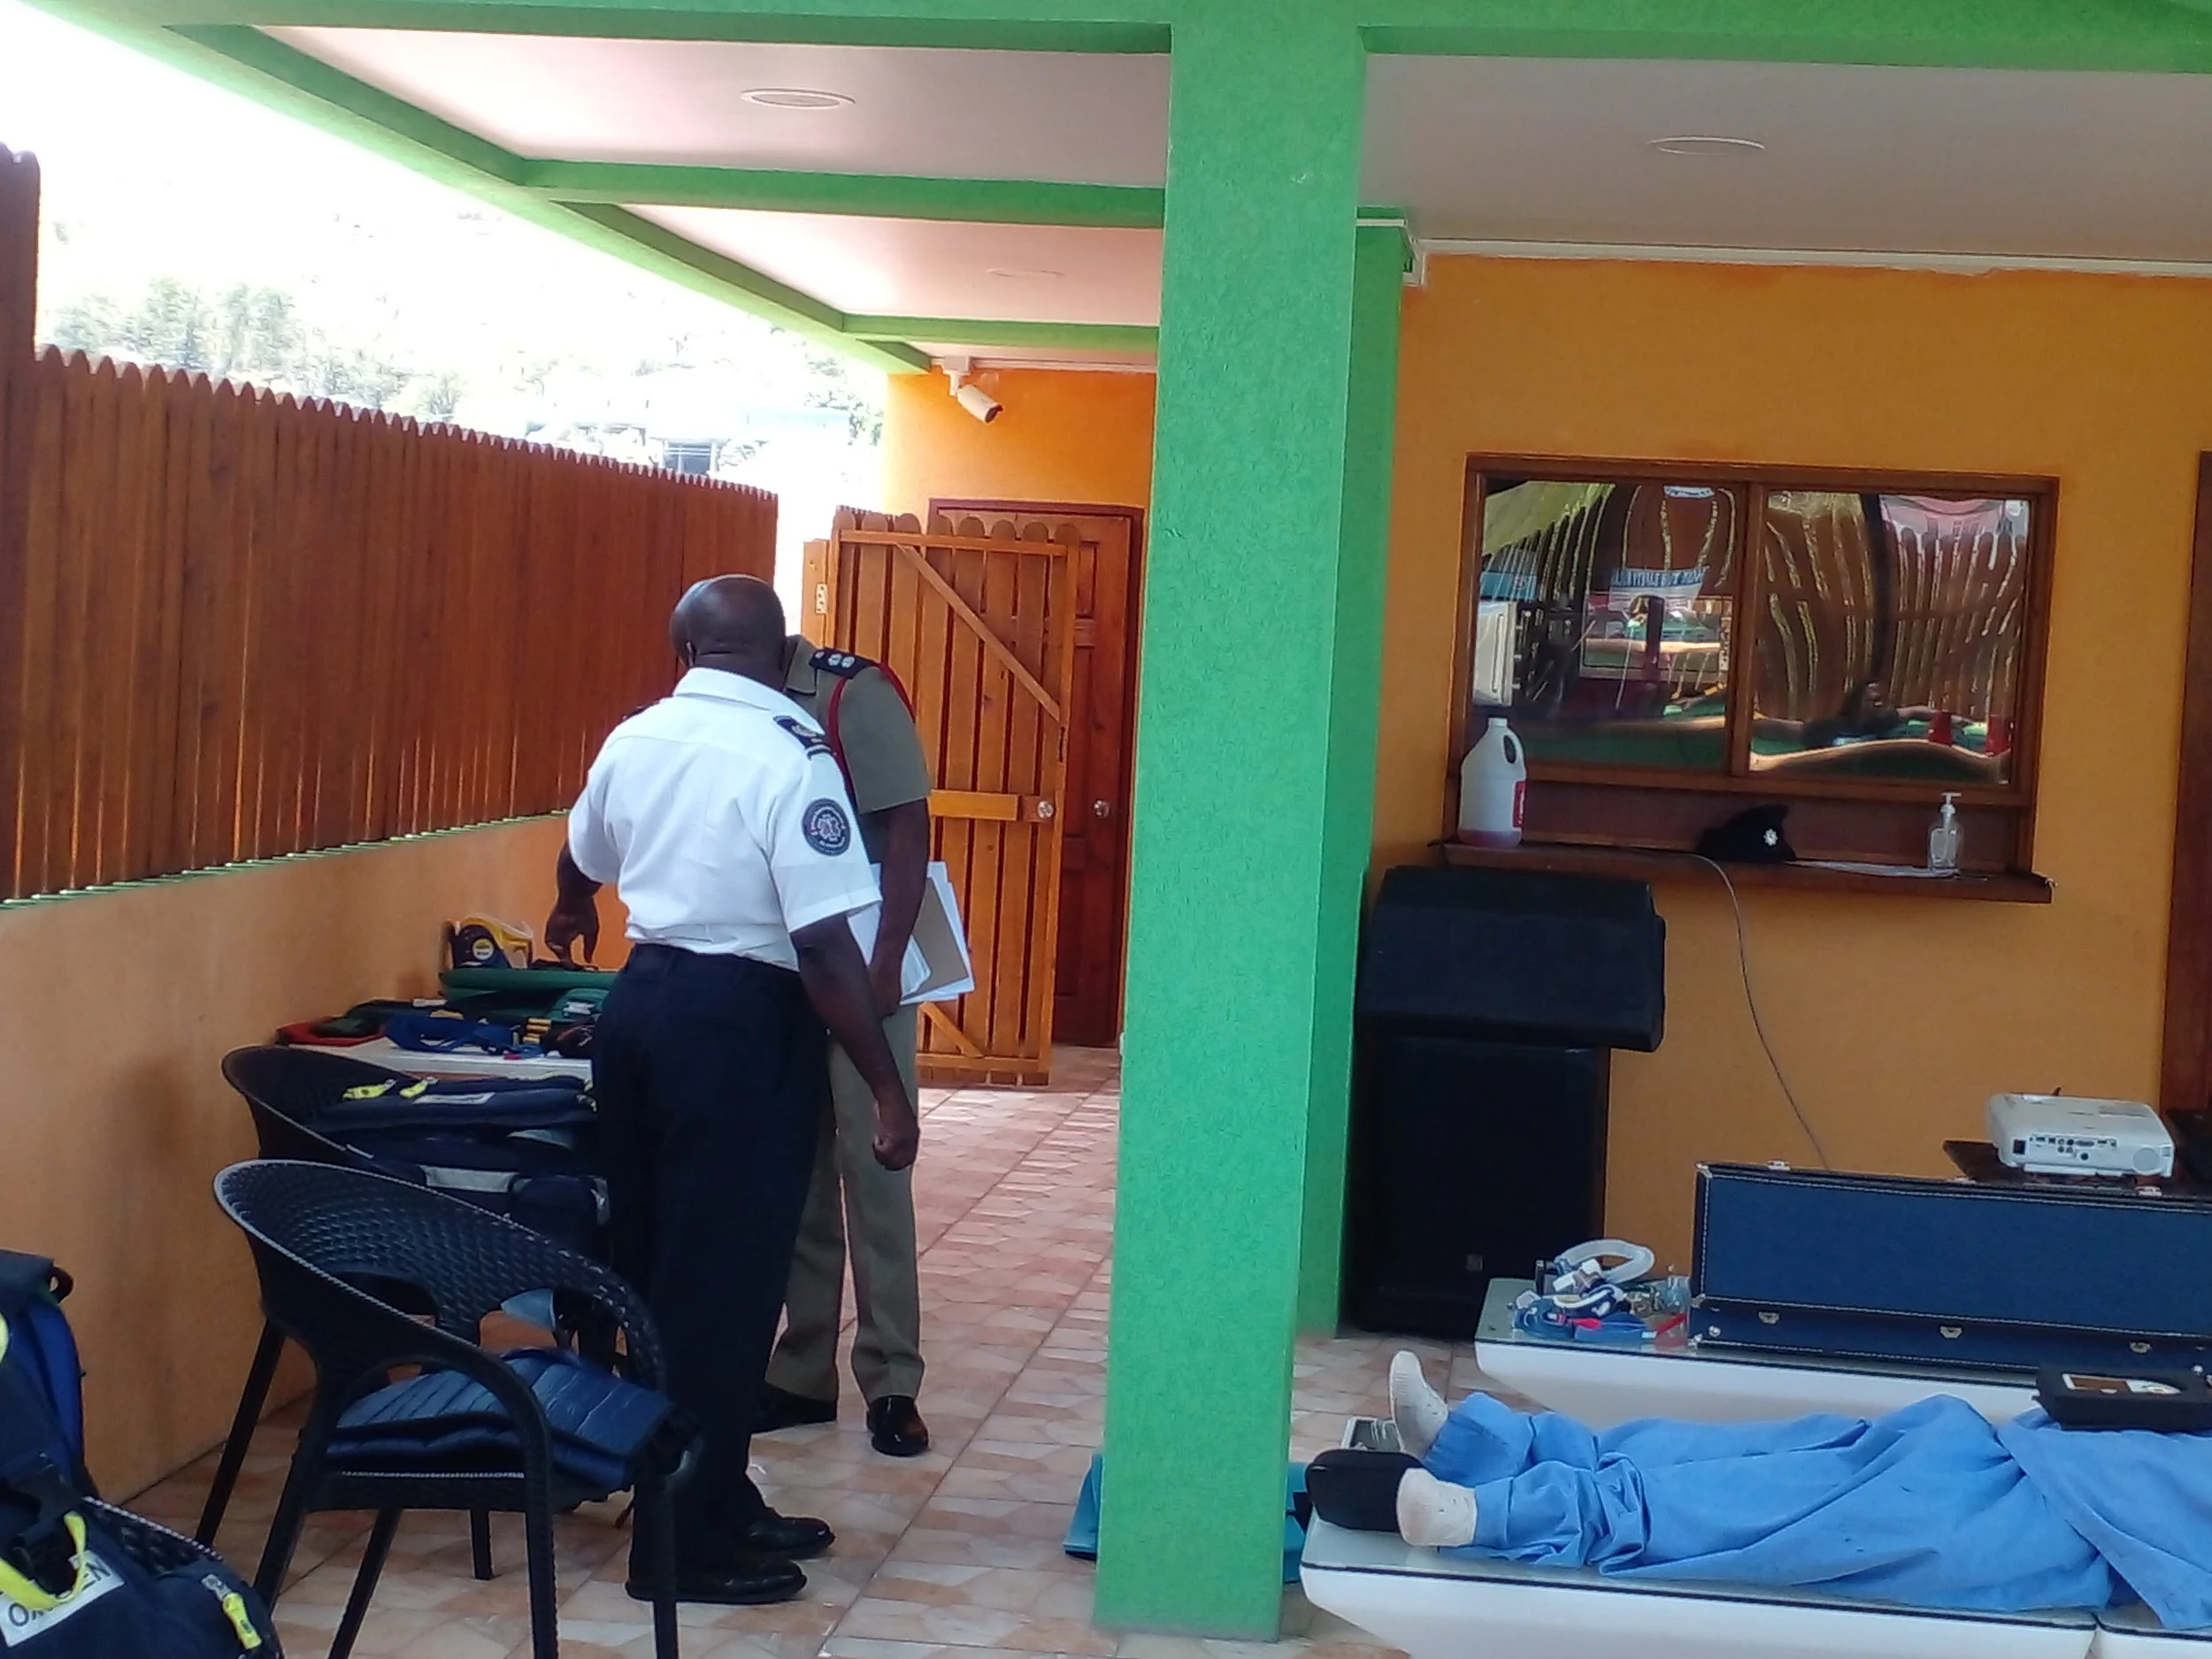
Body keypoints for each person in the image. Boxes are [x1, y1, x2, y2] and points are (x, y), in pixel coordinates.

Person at [544, 574, 921, 1609]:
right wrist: (887, 1092)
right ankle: (681, 1548)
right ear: (780, 648)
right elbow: (825, 950)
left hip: (641, 1013)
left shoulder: (637, 737)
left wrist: (570, 908)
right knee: (725, 1292)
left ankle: (713, 1496)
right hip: (738, 1023)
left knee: (663, 1274)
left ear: (682, 646)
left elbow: (582, 857)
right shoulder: (788, 755)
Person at [1308, 1351, 2212, 1630]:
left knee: (1767, 1514)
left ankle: (1493, 1516)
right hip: (2036, 1451)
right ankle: (1488, 1450)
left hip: (2098, 1537)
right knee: (1757, 1455)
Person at [757, 637, 934, 1458]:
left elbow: (905, 825)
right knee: (797, 1175)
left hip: (862, 958)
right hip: (779, 964)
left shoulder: (849, 692)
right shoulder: (729, 698)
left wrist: (890, 954)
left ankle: (893, 1381)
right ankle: (800, 1373)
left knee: (875, 1174)